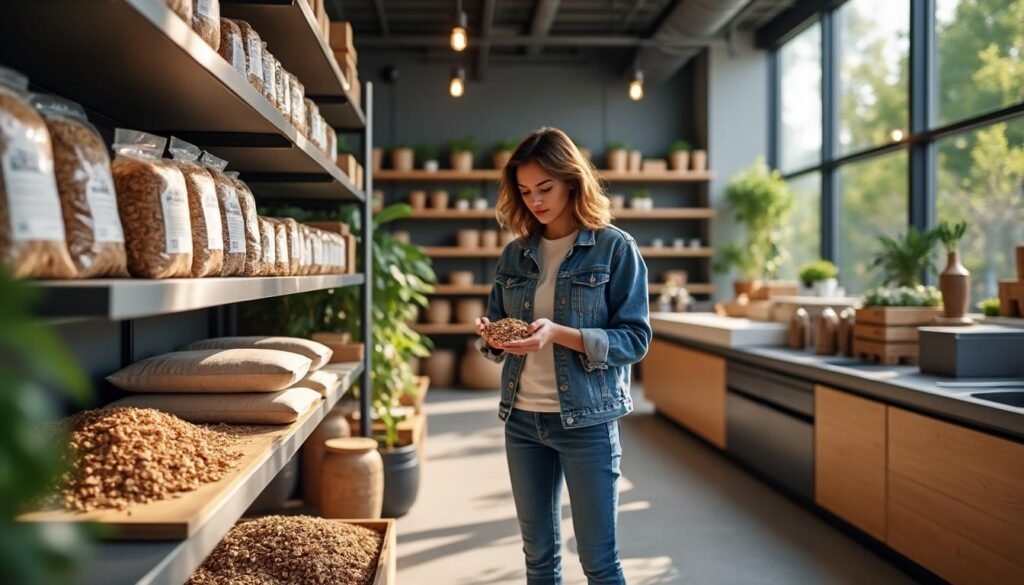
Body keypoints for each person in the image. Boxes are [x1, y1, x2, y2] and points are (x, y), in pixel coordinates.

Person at [474, 127, 652, 584]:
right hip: (523, 421)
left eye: (545, 188)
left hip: (587, 423)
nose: (535, 200)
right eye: (525, 191)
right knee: (539, 560)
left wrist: (558, 334)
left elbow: (634, 340)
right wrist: (492, 338)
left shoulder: (615, 248)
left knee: (599, 563)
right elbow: (497, 332)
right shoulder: (515, 254)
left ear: (572, 180)